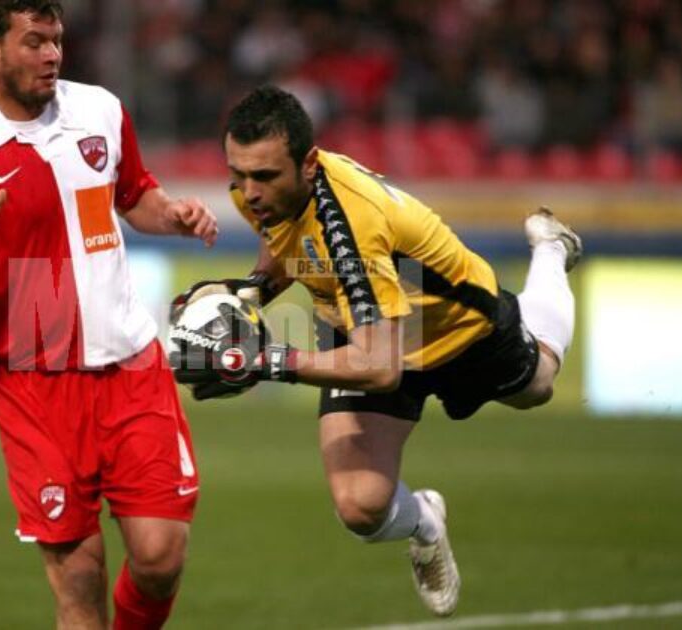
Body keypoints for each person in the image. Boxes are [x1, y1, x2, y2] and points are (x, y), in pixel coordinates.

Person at [171, 85, 581, 617]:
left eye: (265, 177)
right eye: (239, 174)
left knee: (539, 385)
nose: (249, 193)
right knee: (361, 506)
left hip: (455, 322)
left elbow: (380, 369)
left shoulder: (354, 229)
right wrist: (253, 290)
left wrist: (265, 360)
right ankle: (427, 523)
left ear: (309, 165)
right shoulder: (262, 190)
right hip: (361, 317)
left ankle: (550, 250)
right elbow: (286, 236)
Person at [0, 2, 218, 628]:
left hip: (130, 363)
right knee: (80, 581)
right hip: (37, 379)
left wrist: (169, 212)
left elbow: (133, 194)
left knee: (160, 555)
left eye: (56, 41)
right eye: (34, 42)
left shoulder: (99, 110)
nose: (52, 55)